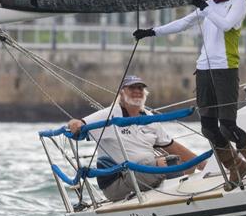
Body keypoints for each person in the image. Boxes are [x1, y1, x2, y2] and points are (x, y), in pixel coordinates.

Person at [132, 0, 246, 189]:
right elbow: (183, 23)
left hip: (225, 68)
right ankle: (237, 168)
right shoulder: (210, 4)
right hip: (203, 69)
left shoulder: (238, 3)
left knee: (227, 125)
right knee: (208, 127)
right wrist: (151, 32)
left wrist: (204, 8)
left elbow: (226, 25)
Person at [66, 75, 205, 202]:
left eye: (140, 88)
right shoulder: (110, 114)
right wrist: (74, 124)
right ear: (121, 93)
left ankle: (172, 195)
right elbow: (78, 124)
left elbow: (170, 145)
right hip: (117, 181)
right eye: (131, 88)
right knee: (169, 162)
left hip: (146, 173)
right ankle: (175, 201)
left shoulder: (149, 117)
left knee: (187, 162)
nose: (137, 90)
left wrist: (201, 163)